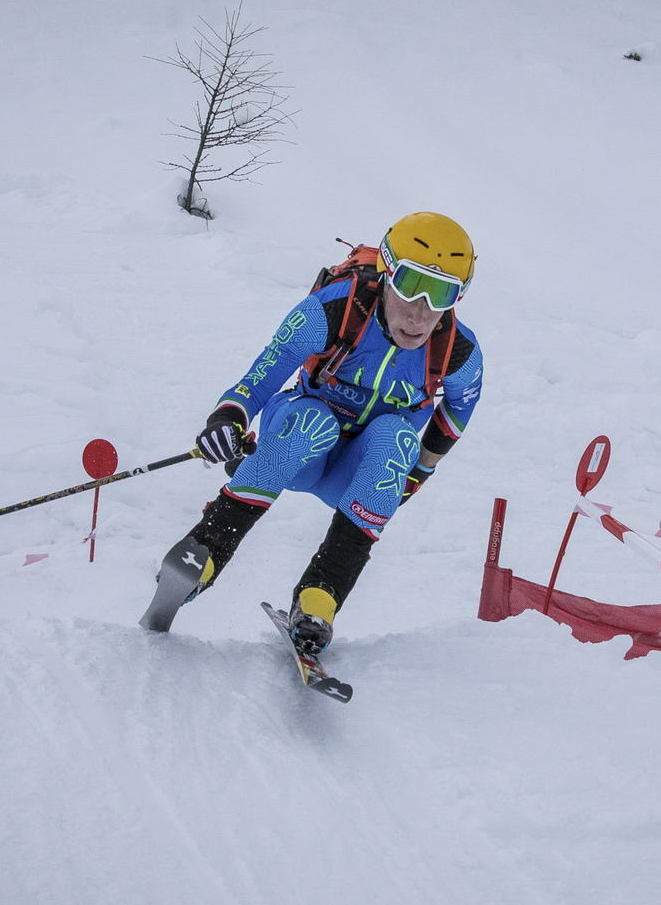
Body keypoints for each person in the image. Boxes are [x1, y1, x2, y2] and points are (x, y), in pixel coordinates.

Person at [142, 211, 485, 653]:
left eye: (441, 293)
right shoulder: (333, 310)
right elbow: (265, 373)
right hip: (301, 444)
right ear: (385, 273)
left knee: (396, 442)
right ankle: (205, 552)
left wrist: (418, 474)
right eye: (409, 285)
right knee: (313, 422)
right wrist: (227, 419)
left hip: (358, 474)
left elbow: (458, 411)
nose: (421, 313)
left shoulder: (458, 351)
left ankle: (319, 597)